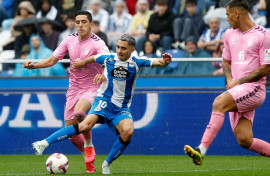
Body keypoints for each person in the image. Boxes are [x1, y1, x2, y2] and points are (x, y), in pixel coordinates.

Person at [183, 1, 270, 176]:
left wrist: (238, 82)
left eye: (228, 15)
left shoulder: (264, 35)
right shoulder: (229, 34)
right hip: (237, 91)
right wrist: (230, 79)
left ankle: (201, 150)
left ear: (237, 13)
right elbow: (226, 60)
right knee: (244, 140)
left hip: (254, 89)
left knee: (219, 103)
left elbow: (266, 68)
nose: (227, 19)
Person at [31, 34, 172, 174]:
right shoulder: (109, 58)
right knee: (85, 125)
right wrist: (83, 63)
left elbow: (157, 62)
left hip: (121, 108)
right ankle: (44, 143)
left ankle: (106, 164)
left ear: (132, 49)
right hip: (104, 101)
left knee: (128, 132)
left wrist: (165, 61)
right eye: (117, 47)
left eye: (123, 48)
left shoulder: (137, 61)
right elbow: (94, 58)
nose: (119, 51)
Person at [23, 11, 108, 173]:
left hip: (91, 87)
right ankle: (87, 157)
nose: (80, 25)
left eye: (84, 22)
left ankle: (89, 145)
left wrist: (103, 73)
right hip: (74, 88)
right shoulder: (69, 39)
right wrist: (34, 65)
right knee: (72, 134)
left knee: (79, 113)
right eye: (78, 22)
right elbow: (52, 60)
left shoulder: (98, 43)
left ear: (91, 24)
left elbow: (108, 60)